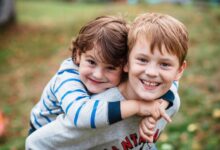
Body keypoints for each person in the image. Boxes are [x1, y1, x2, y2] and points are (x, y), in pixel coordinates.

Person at [26, 12, 188, 150]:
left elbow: (171, 83)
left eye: (110, 67)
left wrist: (162, 104)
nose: (97, 74)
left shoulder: (143, 80)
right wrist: (139, 106)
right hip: (52, 130)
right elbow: (81, 114)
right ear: (77, 55)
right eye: (143, 60)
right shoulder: (68, 78)